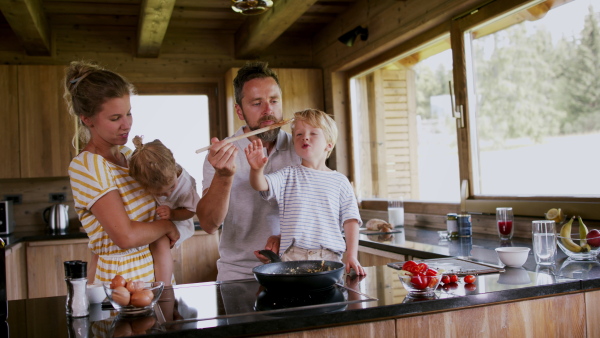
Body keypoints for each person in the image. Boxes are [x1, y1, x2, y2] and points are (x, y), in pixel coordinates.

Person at [65, 60, 179, 283]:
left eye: (128, 113)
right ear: (87, 119)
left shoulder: (128, 154)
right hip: (122, 285)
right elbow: (125, 237)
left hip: (152, 278)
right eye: (115, 118)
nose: (126, 124)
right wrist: (165, 226)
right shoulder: (89, 165)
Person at [197, 61, 301, 281]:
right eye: (257, 103)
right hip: (238, 273)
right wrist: (223, 176)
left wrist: (286, 237)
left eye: (274, 101)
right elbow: (208, 224)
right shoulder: (221, 155)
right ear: (239, 110)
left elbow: (320, 209)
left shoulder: (302, 149)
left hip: (296, 267)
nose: (268, 111)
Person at [245, 108, 365, 275]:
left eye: (313, 133)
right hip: (291, 258)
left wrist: (352, 255)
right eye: (299, 134)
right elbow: (261, 185)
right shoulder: (288, 175)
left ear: (329, 144)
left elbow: (351, 221)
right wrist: (256, 170)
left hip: (329, 258)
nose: (305, 137)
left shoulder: (340, 182)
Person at [129, 135, 201, 286]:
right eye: (160, 193)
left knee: (160, 241)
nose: (168, 194)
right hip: (158, 220)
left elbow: (191, 211)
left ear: (174, 167)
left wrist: (173, 214)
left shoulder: (185, 185)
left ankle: (165, 286)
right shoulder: (147, 175)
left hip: (179, 221)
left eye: (171, 188)